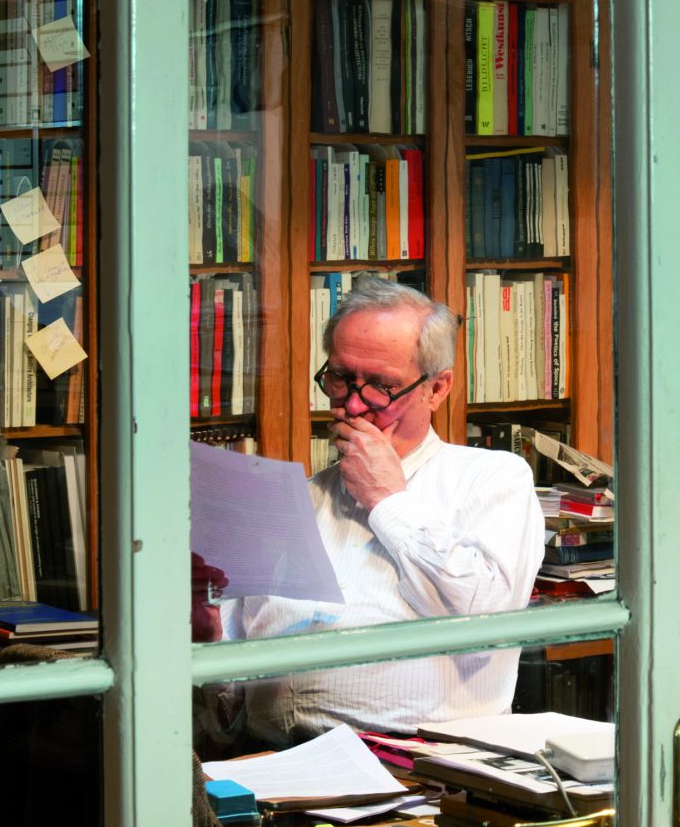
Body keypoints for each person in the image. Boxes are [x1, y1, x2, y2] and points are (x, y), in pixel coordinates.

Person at [213, 276, 544, 746]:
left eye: (381, 387)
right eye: (340, 378)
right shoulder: (289, 504)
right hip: (268, 759)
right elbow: (224, 695)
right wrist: (204, 634)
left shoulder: (493, 478)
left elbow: (484, 621)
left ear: (436, 389)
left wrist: (387, 500)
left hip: (421, 765)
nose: (351, 403)